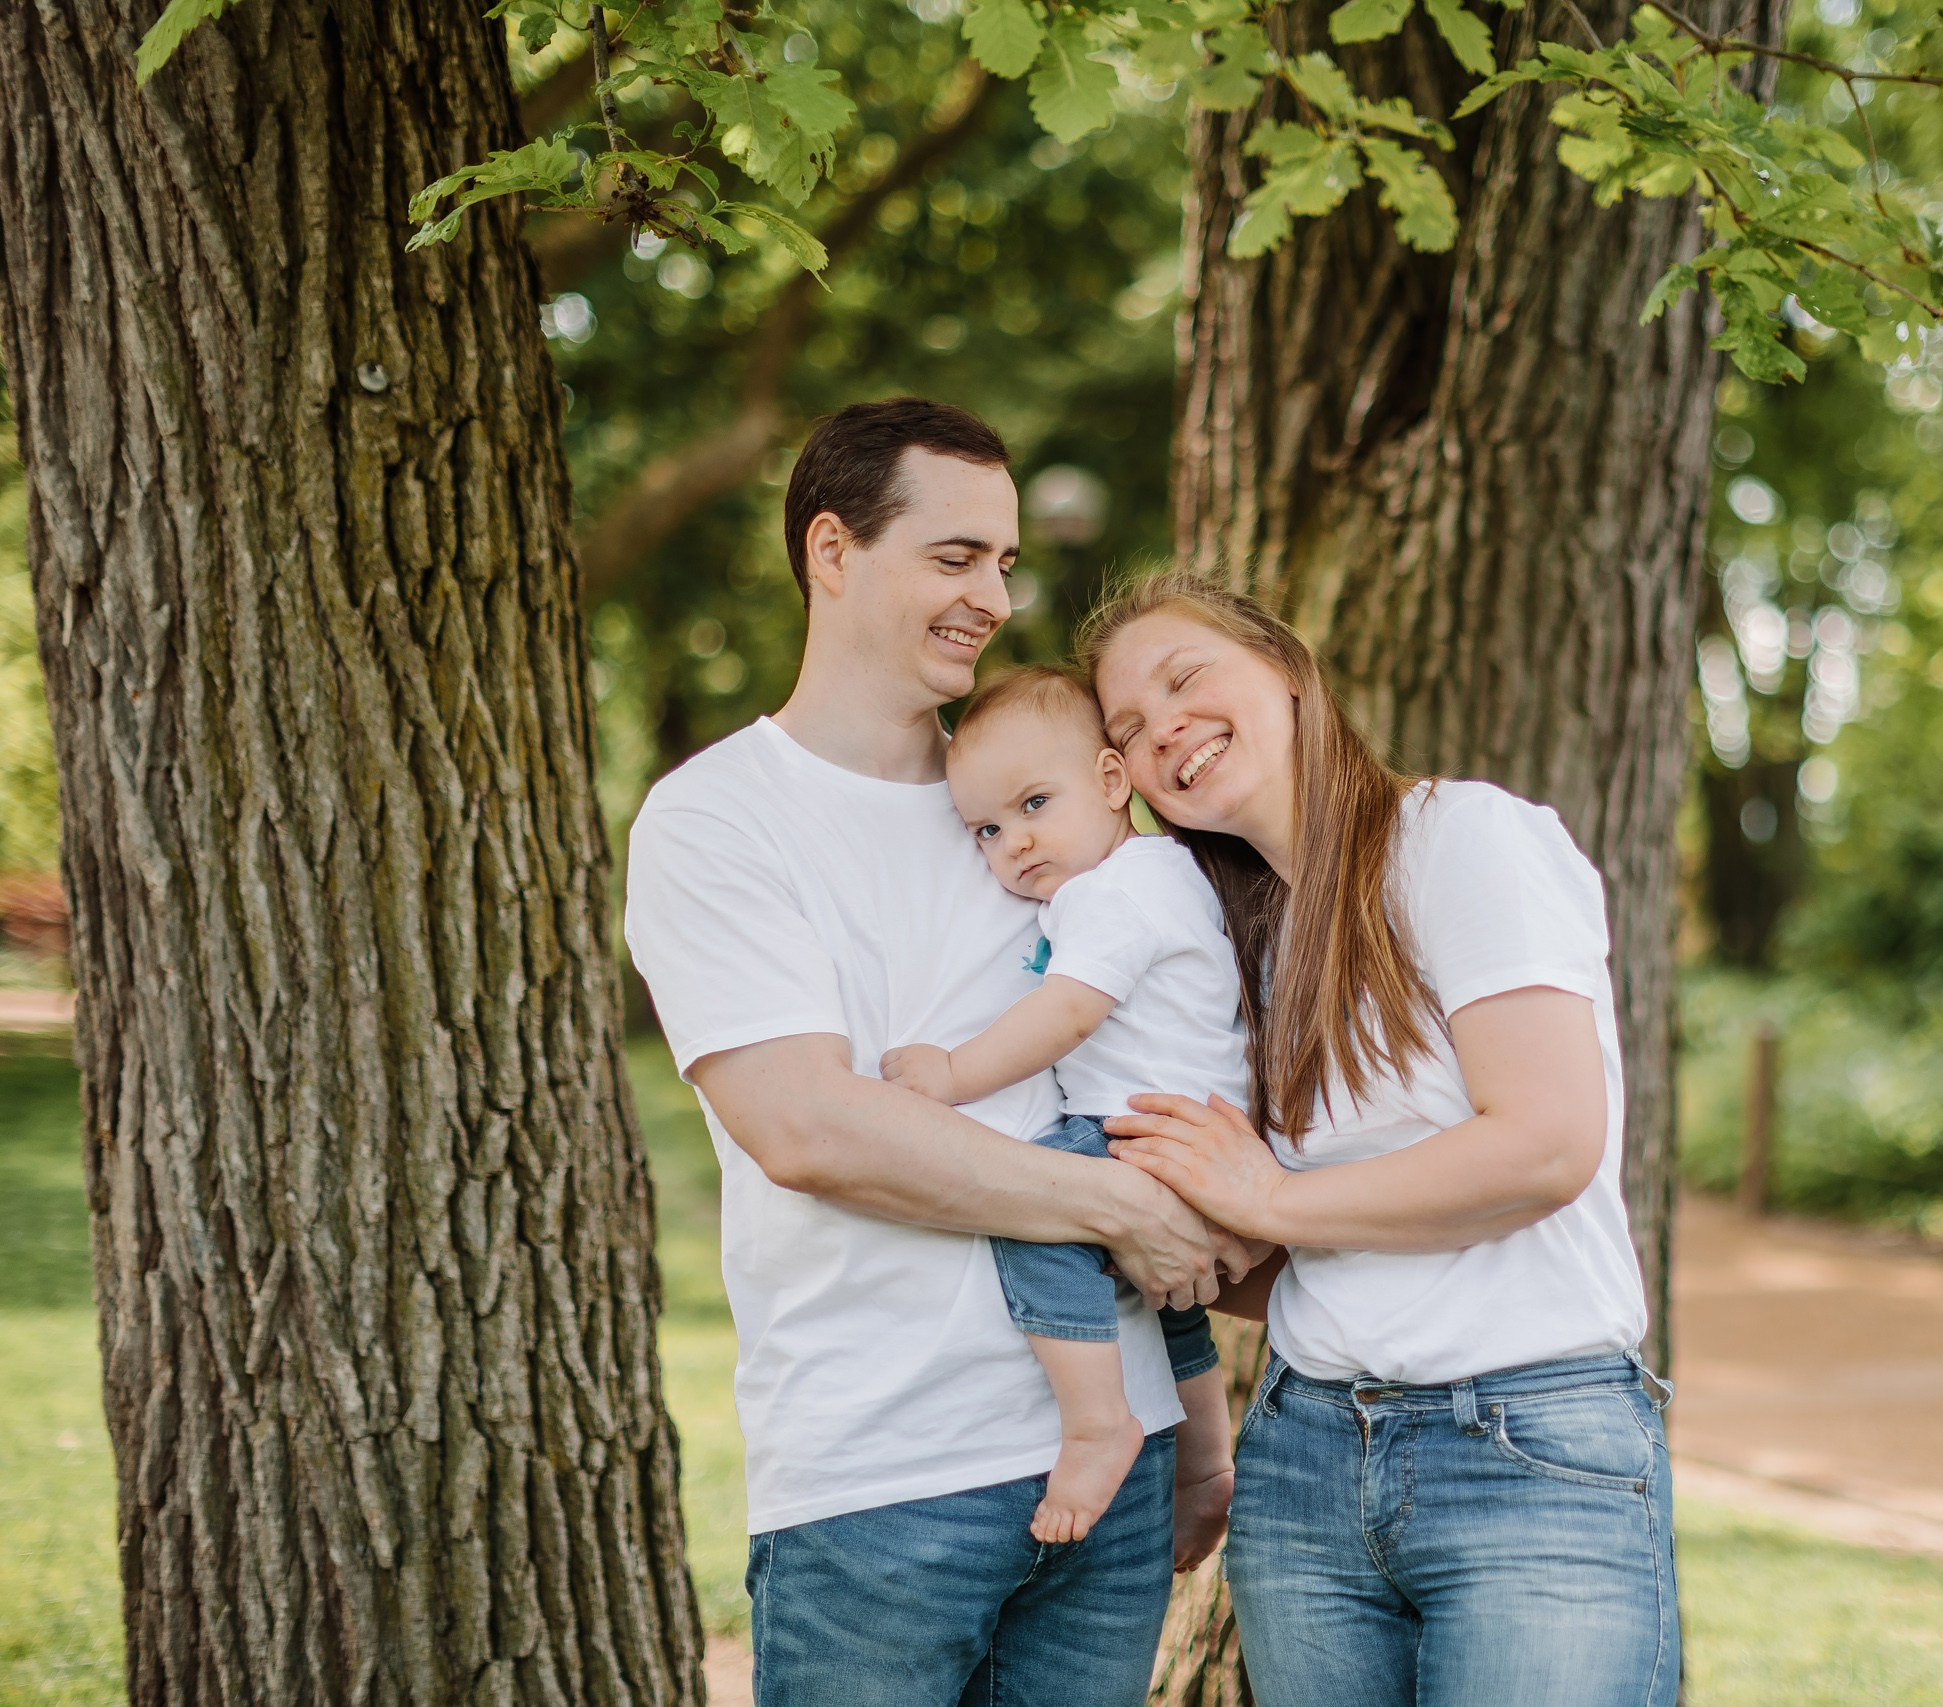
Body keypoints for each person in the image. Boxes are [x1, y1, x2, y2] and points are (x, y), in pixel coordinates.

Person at [622, 402, 1249, 1707]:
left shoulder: (1044, 800)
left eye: (1007, 564)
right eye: (957, 556)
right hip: (884, 1479)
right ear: (833, 549)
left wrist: (1193, 1428)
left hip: (1118, 1462)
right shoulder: (718, 818)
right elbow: (808, 1126)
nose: (993, 596)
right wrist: (1122, 1204)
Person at [1084, 574, 1676, 1707]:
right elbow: (1296, 1261)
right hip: (1306, 1459)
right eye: (1125, 730)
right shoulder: (1238, 946)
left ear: (1289, 673)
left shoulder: (1461, 838)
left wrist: (1263, 1203)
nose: (1162, 727)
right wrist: (1160, 1238)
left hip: (1528, 1444)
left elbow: (1545, 1146)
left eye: (1184, 677)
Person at [881, 664, 1251, 1556]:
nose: (1014, 842)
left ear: (1113, 781)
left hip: (1139, 1132)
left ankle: (1096, 1422)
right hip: (1198, 1133)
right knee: (1173, 1305)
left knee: (1037, 1219)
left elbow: (1068, 1011)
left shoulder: (1110, 894)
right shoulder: (1169, 872)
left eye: (1036, 803)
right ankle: (1204, 1450)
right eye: (988, 828)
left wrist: (953, 1073)